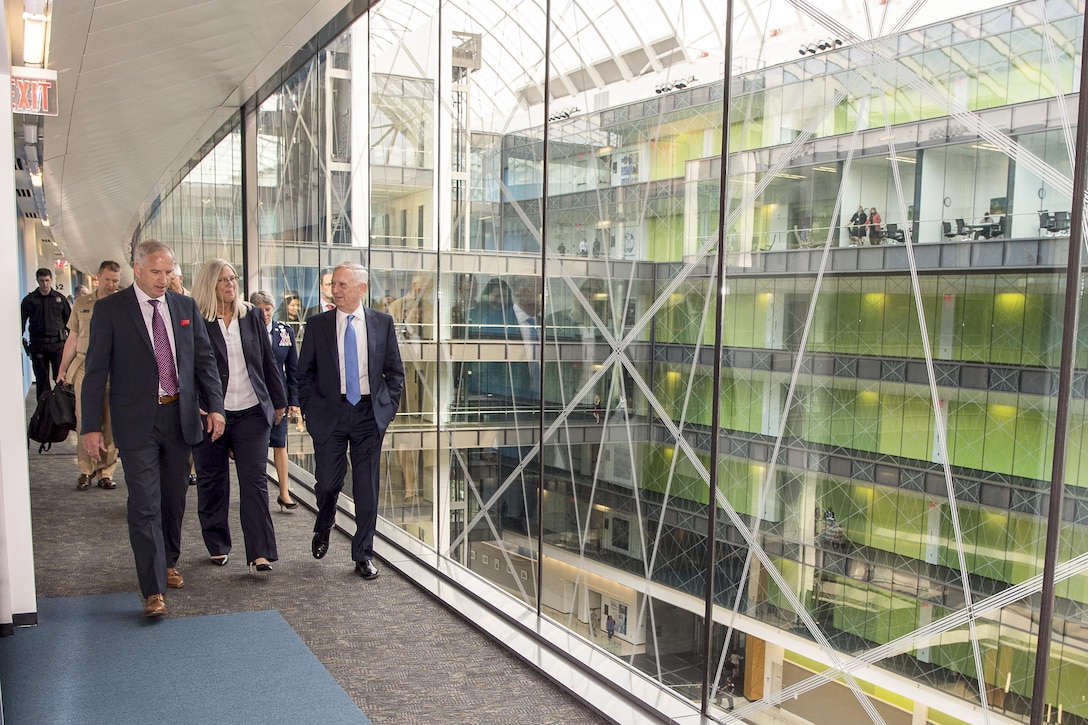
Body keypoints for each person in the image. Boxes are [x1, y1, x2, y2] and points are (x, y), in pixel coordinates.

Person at [80, 240, 226, 618]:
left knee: (174, 499)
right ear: (138, 270)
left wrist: (215, 407)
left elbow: (204, 361)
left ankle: (168, 562)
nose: (165, 279)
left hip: (180, 417)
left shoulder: (184, 306)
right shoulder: (111, 310)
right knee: (144, 503)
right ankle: (152, 589)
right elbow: (95, 372)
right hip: (136, 422)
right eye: (157, 272)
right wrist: (90, 427)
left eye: (169, 272)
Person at [297, 262, 404, 579]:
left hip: (369, 415)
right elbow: (304, 375)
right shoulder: (318, 325)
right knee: (328, 483)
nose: (336, 290)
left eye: (343, 284)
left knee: (367, 489)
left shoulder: (382, 323)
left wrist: (387, 408)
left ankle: (363, 555)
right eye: (334, 284)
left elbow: (395, 372)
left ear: (362, 289)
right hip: (330, 413)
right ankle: (325, 521)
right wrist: (310, 410)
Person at [192, 261, 287, 573]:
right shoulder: (197, 319)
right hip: (211, 415)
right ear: (209, 284)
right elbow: (187, 367)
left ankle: (260, 552)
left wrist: (279, 401)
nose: (230, 285)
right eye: (222, 280)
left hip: (251, 412)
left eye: (233, 278)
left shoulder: (251, 315)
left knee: (255, 481)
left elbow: (267, 359)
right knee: (213, 482)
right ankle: (217, 545)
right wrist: (198, 404)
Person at [57, 260, 122, 491]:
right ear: (98, 277)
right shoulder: (83, 303)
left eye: (116, 281)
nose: (112, 285)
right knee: (85, 419)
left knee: (111, 421)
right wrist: (62, 369)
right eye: (108, 280)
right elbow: (73, 338)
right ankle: (86, 470)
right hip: (85, 365)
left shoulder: (123, 303)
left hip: (114, 368)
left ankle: (106, 471)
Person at [250, 290, 300, 512]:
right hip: (251, 397)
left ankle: (284, 493)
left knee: (279, 444)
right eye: (260, 310)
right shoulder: (245, 330)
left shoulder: (284, 332)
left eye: (268, 309)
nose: (265, 314)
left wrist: (294, 401)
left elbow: (293, 369)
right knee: (255, 447)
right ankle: (255, 493)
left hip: (278, 397)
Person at [21, 267, 71, 399]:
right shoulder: (29, 300)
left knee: (60, 378)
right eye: (42, 281)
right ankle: (43, 413)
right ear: (37, 280)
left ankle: (62, 410)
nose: (45, 284)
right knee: (42, 380)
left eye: (47, 280)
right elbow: (22, 323)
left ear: (51, 280)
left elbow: (69, 323)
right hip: (38, 345)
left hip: (57, 345)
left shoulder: (60, 299)